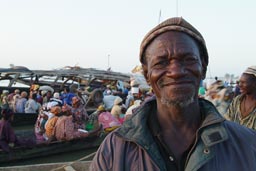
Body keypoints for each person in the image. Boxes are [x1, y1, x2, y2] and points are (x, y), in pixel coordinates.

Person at [90, 17, 256, 171]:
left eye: (188, 59)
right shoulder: (114, 150)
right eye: (161, 62)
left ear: (203, 69)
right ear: (147, 74)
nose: (176, 72)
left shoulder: (248, 144)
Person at [224, 66, 256, 130]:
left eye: (243, 82)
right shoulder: (237, 100)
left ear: (254, 84)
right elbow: (227, 120)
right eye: (239, 82)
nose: (239, 85)